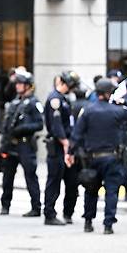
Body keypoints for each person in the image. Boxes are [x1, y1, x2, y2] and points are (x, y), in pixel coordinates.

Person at [66, 78, 127, 234]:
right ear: (109, 93)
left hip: (92, 158)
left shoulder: (88, 111)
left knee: (91, 190)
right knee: (111, 191)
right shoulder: (117, 111)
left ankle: (88, 222)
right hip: (112, 158)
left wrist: (70, 153)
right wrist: (122, 101)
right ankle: (108, 225)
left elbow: (76, 134)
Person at [0, 71, 44, 216]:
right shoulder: (15, 102)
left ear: (28, 86)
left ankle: (36, 207)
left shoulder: (33, 103)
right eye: (17, 83)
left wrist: (23, 128)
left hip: (25, 144)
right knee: (7, 177)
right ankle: (5, 206)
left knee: (30, 176)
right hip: (11, 144)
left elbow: (39, 124)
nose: (17, 86)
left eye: (20, 84)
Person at [41, 71, 80, 226]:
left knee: (72, 181)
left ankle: (68, 213)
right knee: (54, 181)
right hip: (58, 147)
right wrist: (65, 144)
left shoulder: (63, 99)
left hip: (67, 145)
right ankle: (49, 214)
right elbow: (56, 126)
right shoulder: (55, 99)